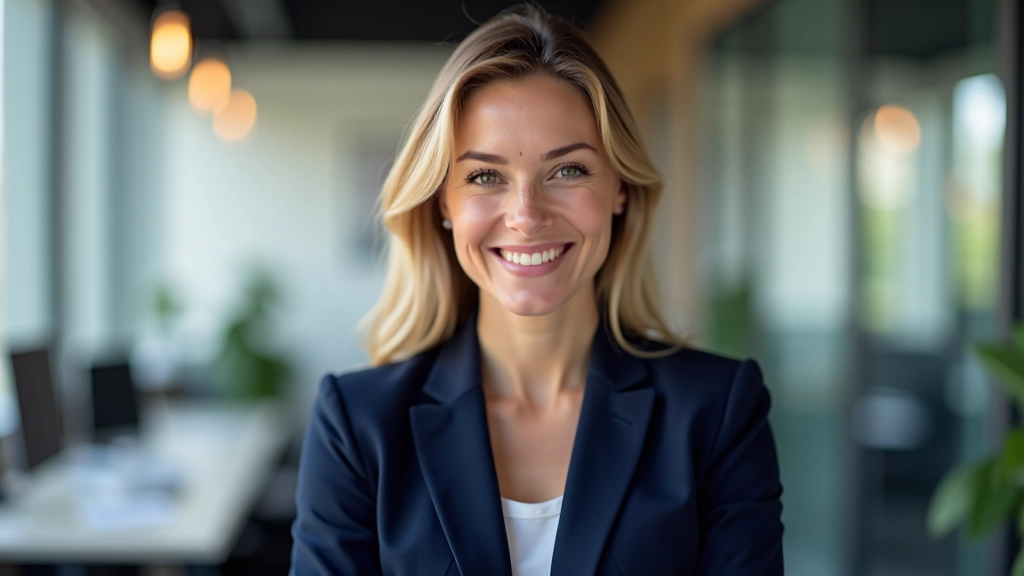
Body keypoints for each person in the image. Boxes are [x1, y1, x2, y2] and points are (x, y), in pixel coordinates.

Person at [290, 5, 783, 575]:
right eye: (484, 176)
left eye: (568, 170)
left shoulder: (717, 412)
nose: (526, 215)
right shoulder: (357, 427)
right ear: (442, 204)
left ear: (619, 188)